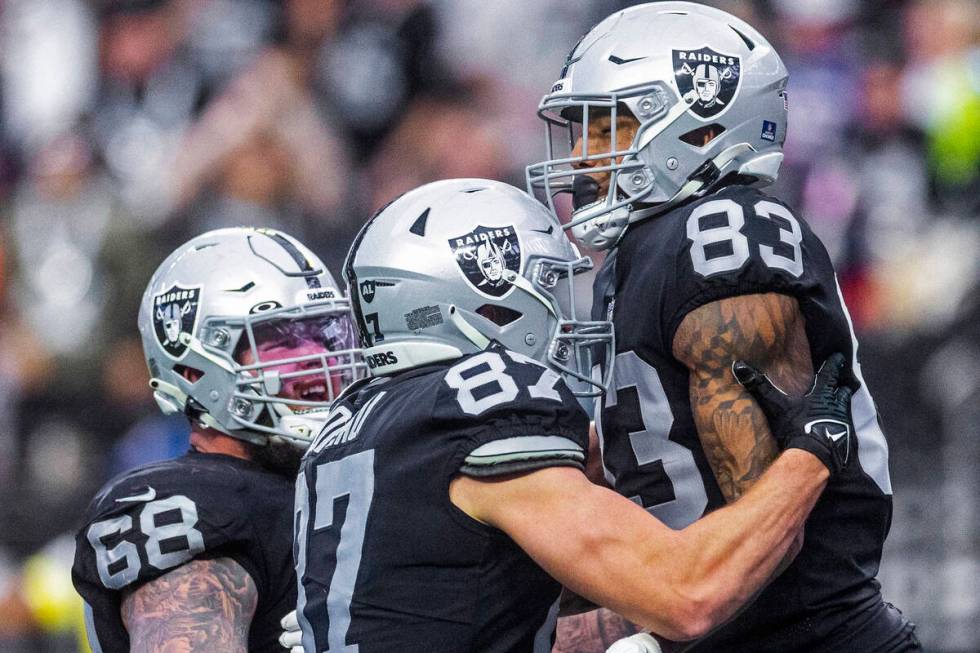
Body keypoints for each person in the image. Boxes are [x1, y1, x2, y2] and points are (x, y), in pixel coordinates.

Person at [288, 178, 856, 653]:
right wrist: (811, 452)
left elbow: (474, 592)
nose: (563, 310)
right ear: (484, 299)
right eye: (545, 286)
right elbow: (688, 595)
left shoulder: (357, 420)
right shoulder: (480, 400)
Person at [526, 3, 918, 652]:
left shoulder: (725, 236)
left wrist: (643, 627)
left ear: (701, 130)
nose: (581, 155)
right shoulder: (632, 259)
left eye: (606, 130)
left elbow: (769, 529)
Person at [72, 227, 364, 652]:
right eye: (284, 345)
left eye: (326, 338)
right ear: (194, 371)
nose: (318, 370)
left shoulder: (347, 478)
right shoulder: (192, 504)